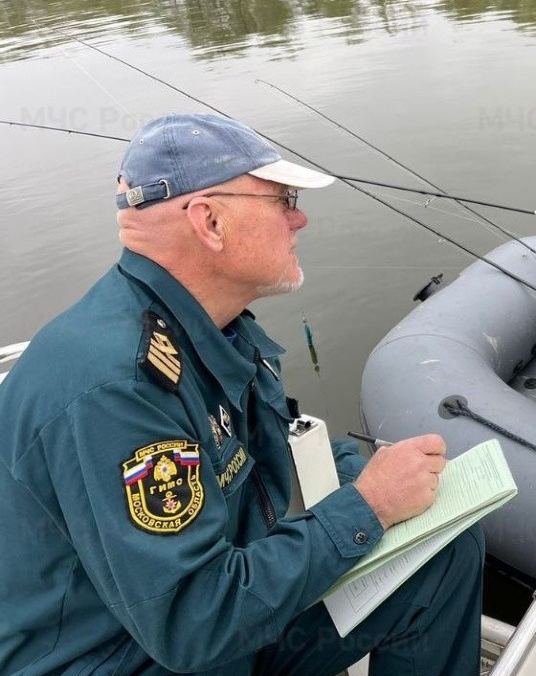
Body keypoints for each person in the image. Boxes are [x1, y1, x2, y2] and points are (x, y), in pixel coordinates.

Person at [0, 114, 484, 676]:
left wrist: (372, 473)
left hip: (214, 625)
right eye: (283, 199)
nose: (300, 218)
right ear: (209, 221)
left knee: (445, 551)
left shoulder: (211, 328)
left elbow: (261, 456)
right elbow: (192, 625)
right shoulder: (117, 389)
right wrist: (369, 505)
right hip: (132, 658)